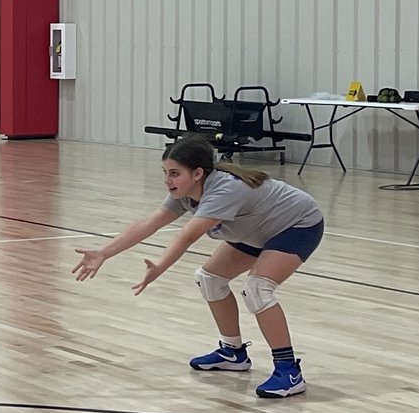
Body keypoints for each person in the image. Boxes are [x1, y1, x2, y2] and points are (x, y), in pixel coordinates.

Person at [72, 133, 326, 398]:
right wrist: (103, 253)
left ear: (197, 173)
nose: (167, 180)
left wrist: (159, 267)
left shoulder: (224, 190)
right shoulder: (185, 192)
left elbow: (187, 236)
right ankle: (233, 352)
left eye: (174, 173)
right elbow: (149, 223)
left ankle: (289, 371)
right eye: (164, 172)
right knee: (210, 279)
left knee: (257, 289)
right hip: (256, 230)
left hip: (296, 225)